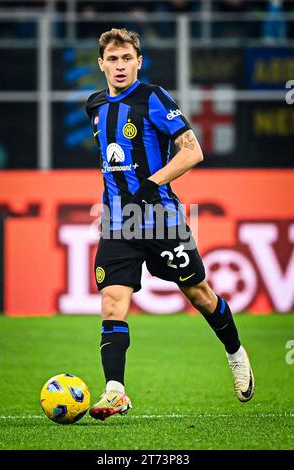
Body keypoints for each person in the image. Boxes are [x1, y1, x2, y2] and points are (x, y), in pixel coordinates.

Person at [85, 28, 255, 421]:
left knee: (199, 294)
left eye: (127, 58)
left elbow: (192, 150)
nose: (120, 66)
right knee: (112, 302)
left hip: (160, 217)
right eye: (113, 59)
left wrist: (151, 183)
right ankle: (115, 390)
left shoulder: (153, 98)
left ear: (138, 62)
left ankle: (235, 352)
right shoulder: (95, 106)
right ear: (101, 64)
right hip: (117, 222)